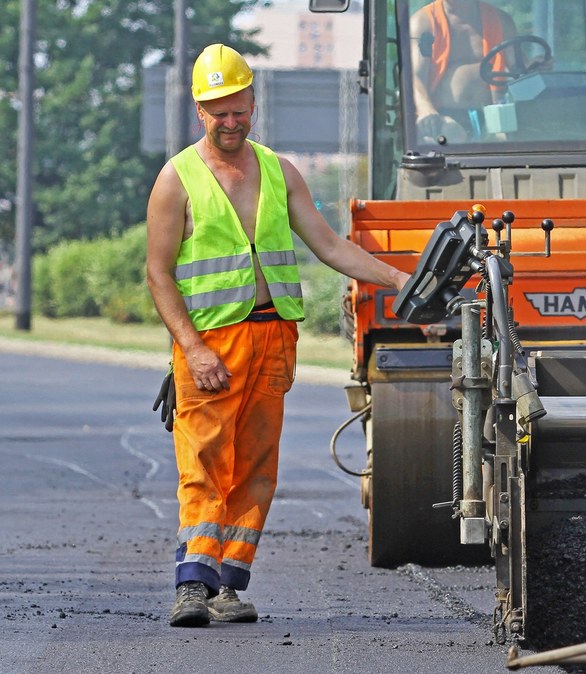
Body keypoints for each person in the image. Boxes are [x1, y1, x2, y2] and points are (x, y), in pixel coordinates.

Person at [145, 43, 411, 628]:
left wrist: (399, 278)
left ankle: (228, 585)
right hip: (211, 346)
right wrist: (191, 347)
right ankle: (193, 581)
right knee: (204, 460)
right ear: (200, 110)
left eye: (239, 108)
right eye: (219, 111)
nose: (231, 120)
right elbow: (158, 273)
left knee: (257, 467)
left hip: (273, 341)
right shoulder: (177, 180)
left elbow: (330, 245)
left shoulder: (277, 170)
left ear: (253, 103)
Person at [409, 0, 518, 141]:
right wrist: (426, 109)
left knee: (509, 141)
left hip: (495, 114)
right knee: (451, 135)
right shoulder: (423, 22)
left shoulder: (501, 20)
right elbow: (414, 76)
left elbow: (518, 68)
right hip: (444, 117)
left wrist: (536, 64)